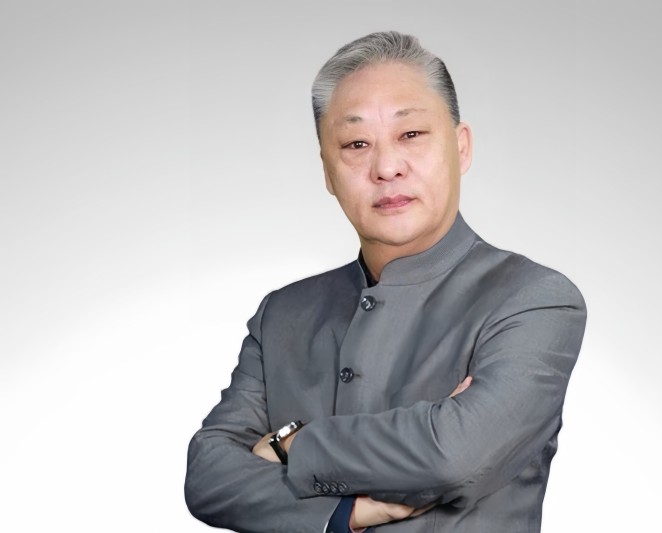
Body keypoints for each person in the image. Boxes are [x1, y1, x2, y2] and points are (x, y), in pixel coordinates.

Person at [185, 31, 586, 533]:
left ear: (461, 147)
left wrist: (291, 445)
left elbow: (453, 455)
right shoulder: (283, 314)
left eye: (411, 134)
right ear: (327, 171)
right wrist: (346, 511)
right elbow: (208, 476)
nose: (387, 168)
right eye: (356, 144)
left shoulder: (533, 301)